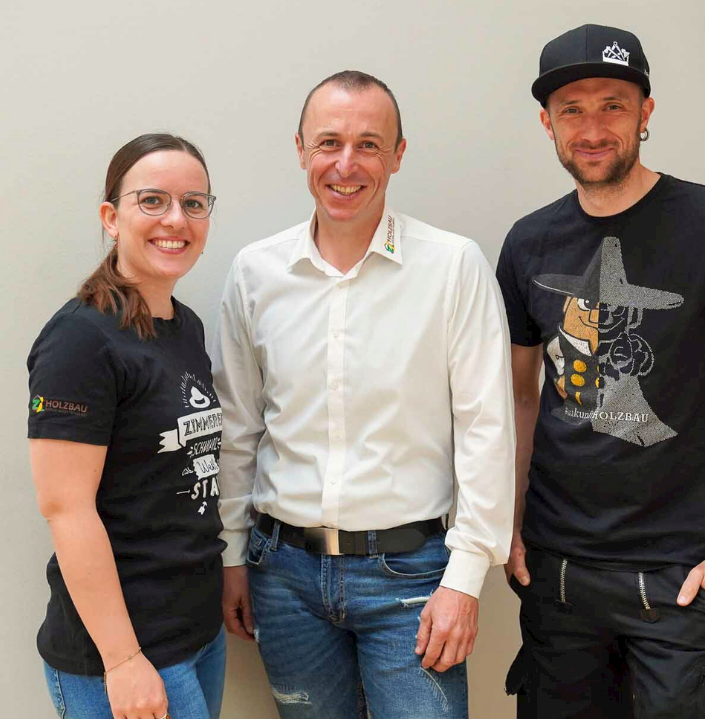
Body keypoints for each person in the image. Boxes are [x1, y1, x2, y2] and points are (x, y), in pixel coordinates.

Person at [498, 24, 705, 718]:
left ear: (645, 112)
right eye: (572, 110)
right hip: (557, 575)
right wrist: (507, 525)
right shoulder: (527, 242)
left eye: (613, 106)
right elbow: (519, 399)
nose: (592, 128)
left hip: (678, 576)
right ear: (547, 123)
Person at [213, 70, 515, 719]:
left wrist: (465, 579)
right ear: (301, 150)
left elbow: (487, 429)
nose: (345, 165)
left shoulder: (452, 267)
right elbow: (238, 427)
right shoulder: (256, 272)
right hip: (282, 578)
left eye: (368, 145)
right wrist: (232, 553)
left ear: (397, 155)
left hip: (412, 578)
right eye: (328, 142)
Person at [27, 133, 226, 719]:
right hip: (125, 653)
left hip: (196, 633)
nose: (176, 219)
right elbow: (66, 508)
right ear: (111, 218)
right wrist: (122, 661)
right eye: (153, 200)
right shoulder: (80, 340)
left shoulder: (185, 326)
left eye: (194, 203)